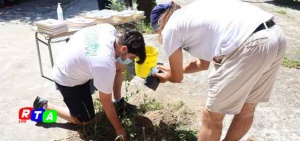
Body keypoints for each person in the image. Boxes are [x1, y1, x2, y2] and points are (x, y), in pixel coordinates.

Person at [153, 0, 286, 140]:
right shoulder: (193, 16)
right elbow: (202, 64)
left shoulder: (170, 28)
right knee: (247, 108)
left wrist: (167, 76)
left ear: (160, 24)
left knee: (211, 116)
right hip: (275, 36)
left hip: (252, 44)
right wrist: (175, 69)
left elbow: (177, 78)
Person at [33, 23, 146, 139]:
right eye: (132, 57)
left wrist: (117, 101)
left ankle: (118, 101)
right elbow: (105, 100)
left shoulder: (109, 29)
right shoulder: (104, 64)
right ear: (124, 49)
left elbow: (119, 65)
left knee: (120, 64)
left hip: (75, 61)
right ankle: (45, 106)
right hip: (67, 77)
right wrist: (119, 129)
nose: (131, 61)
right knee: (85, 122)